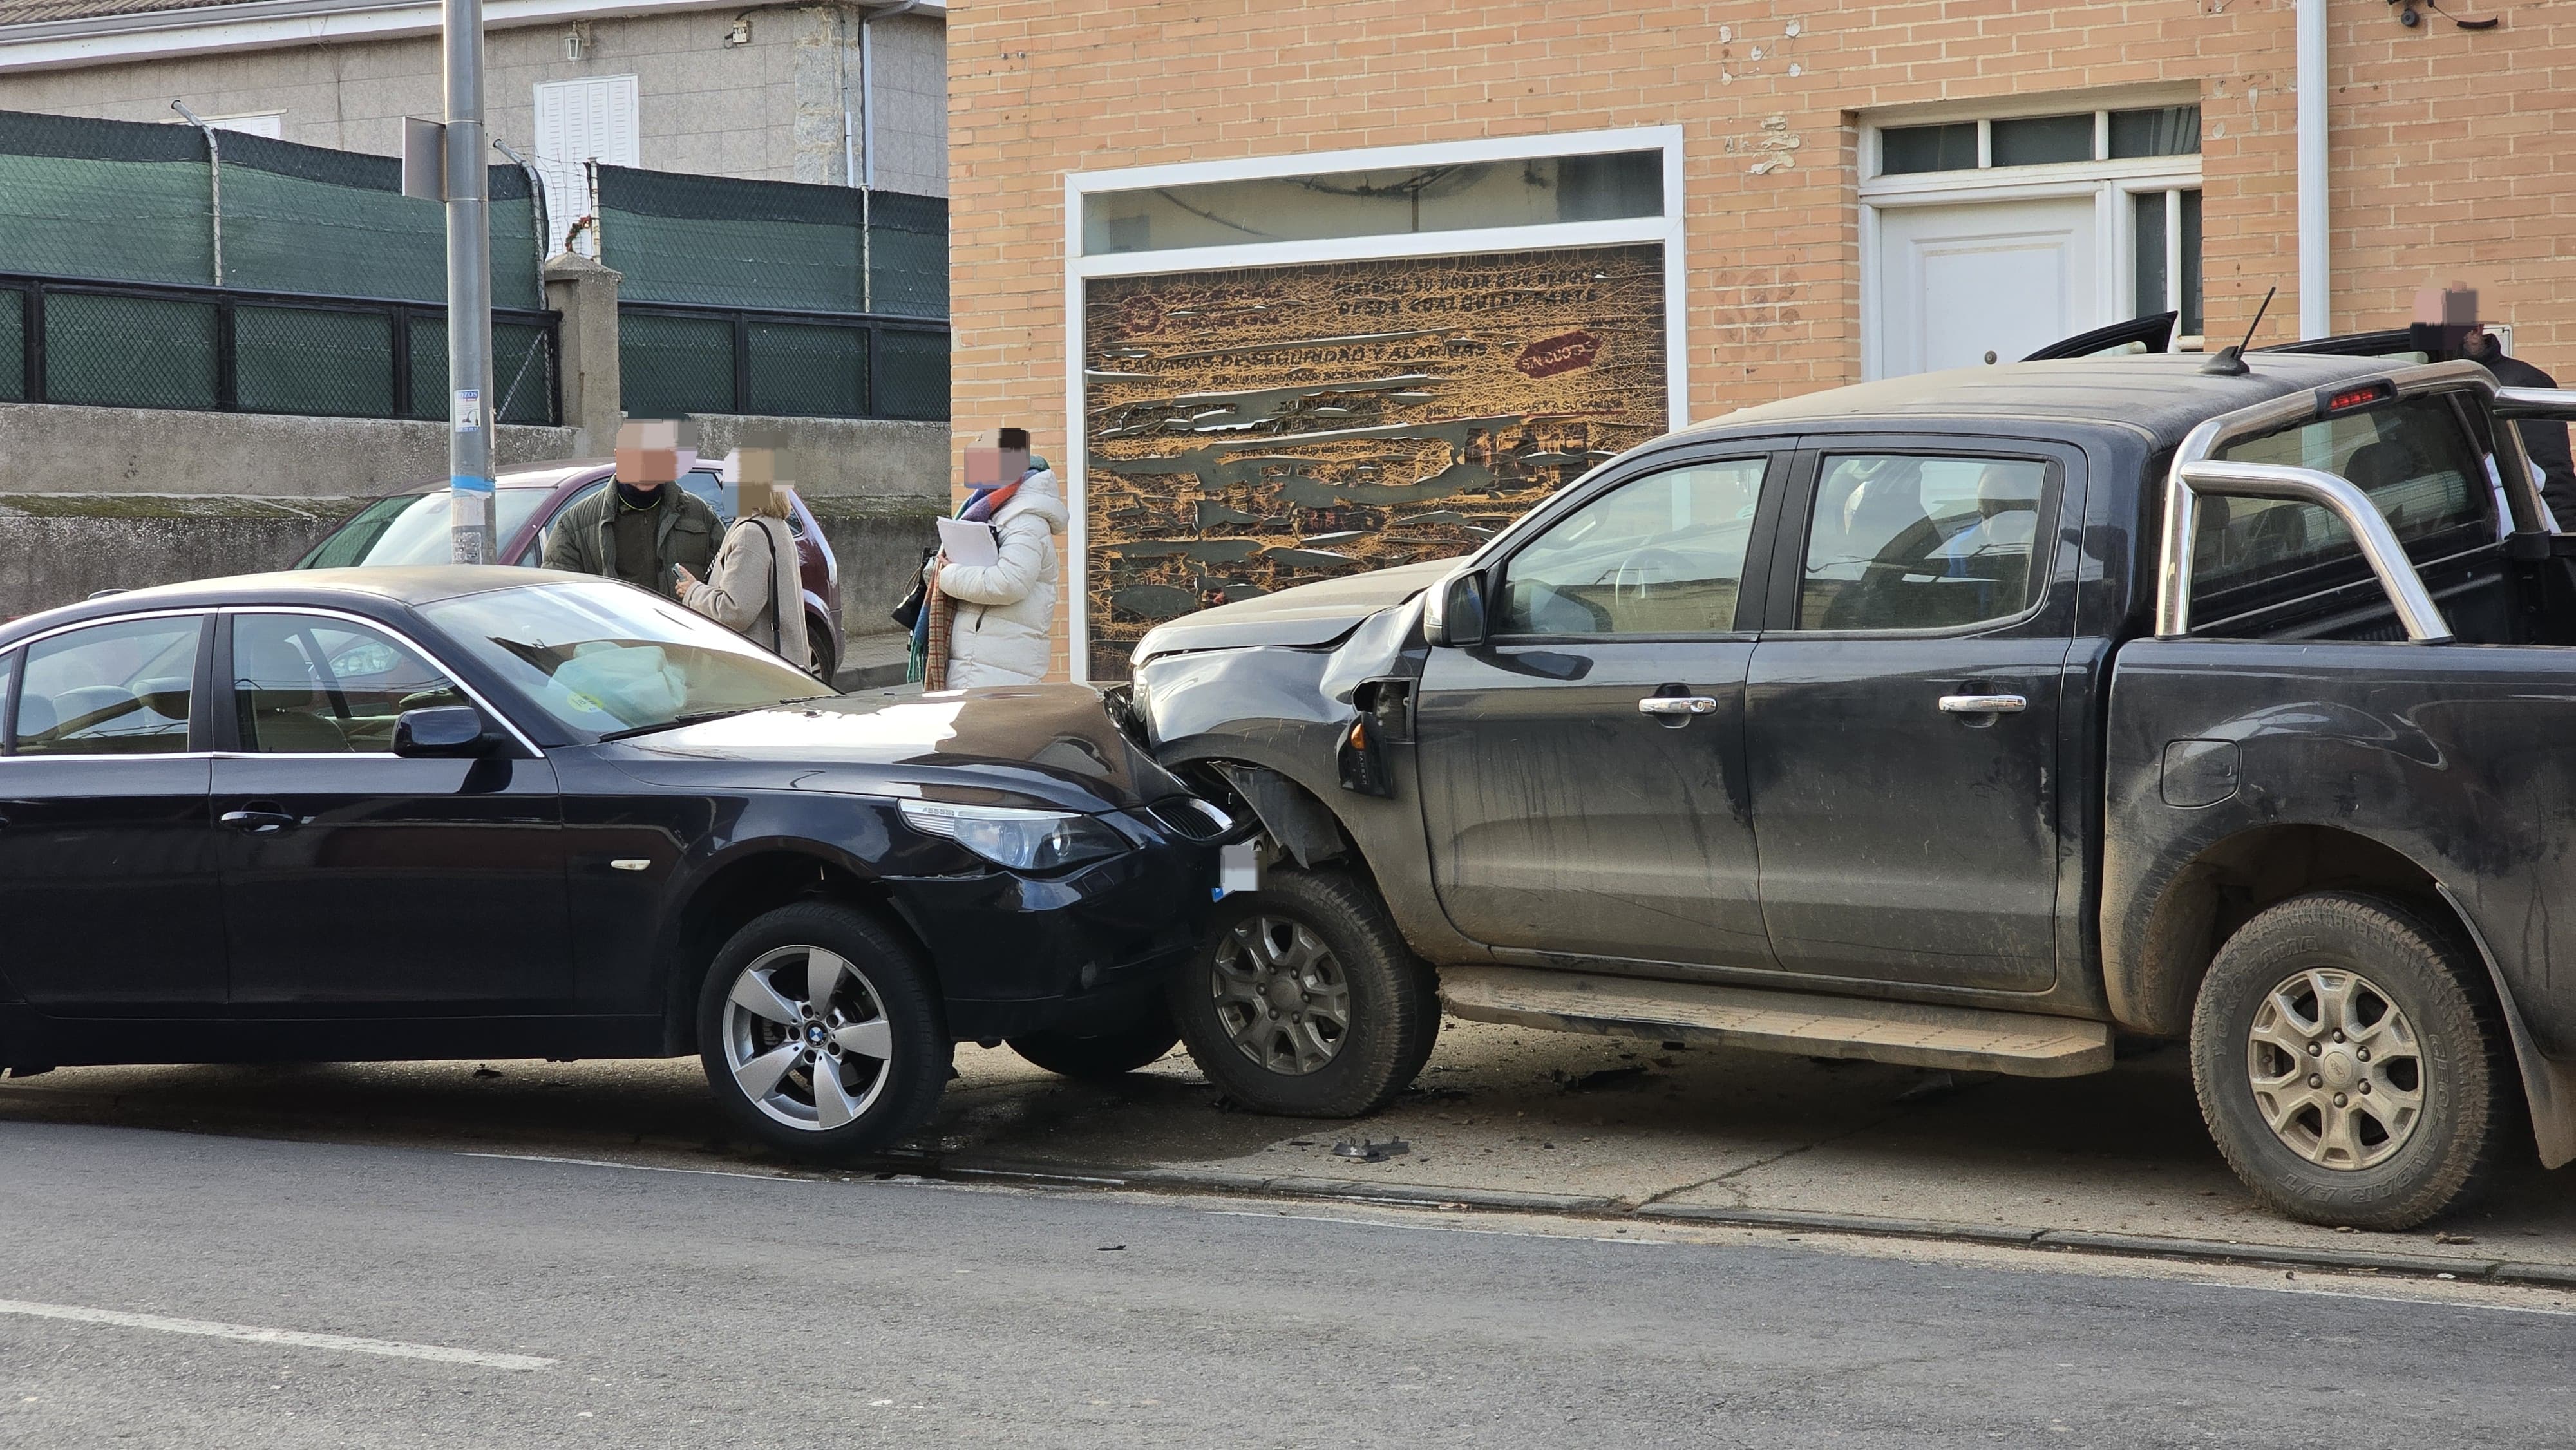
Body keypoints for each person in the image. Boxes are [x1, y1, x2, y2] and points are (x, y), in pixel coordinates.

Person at [913, 426, 1066, 688]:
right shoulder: (992, 509)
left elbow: (1009, 582)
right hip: (979, 664)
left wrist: (947, 575)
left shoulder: (1025, 521)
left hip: (995, 671)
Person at [543, 419, 719, 594]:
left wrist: (698, 594)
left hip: (683, 622)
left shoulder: (700, 515)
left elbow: (726, 589)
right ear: (619, 456)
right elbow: (559, 600)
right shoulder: (574, 526)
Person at [674, 447, 811, 675]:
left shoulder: (751, 533)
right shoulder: (775, 525)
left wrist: (693, 591)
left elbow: (734, 612)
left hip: (754, 670)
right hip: (778, 666)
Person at [2464, 327, 2575, 526]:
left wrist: (2560, 547)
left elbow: (2552, 482)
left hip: (2516, 529)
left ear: (2476, 330)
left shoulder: (2523, 384)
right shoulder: (2431, 385)